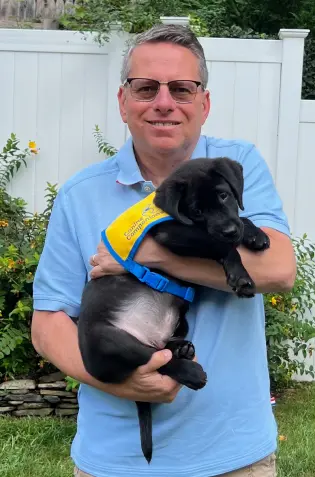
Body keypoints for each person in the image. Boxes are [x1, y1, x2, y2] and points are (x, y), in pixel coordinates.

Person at [31, 23, 296, 477]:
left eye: (182, 88)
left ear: (204, 103)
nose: (164, 103)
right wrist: (115, 379)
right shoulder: (80, 194)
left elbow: (276, 269)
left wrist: (150, 257)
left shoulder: (237, 165)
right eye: (146, 87)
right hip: (114, 462)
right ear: (123, 102)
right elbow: (47, 322)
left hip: (233, 457)